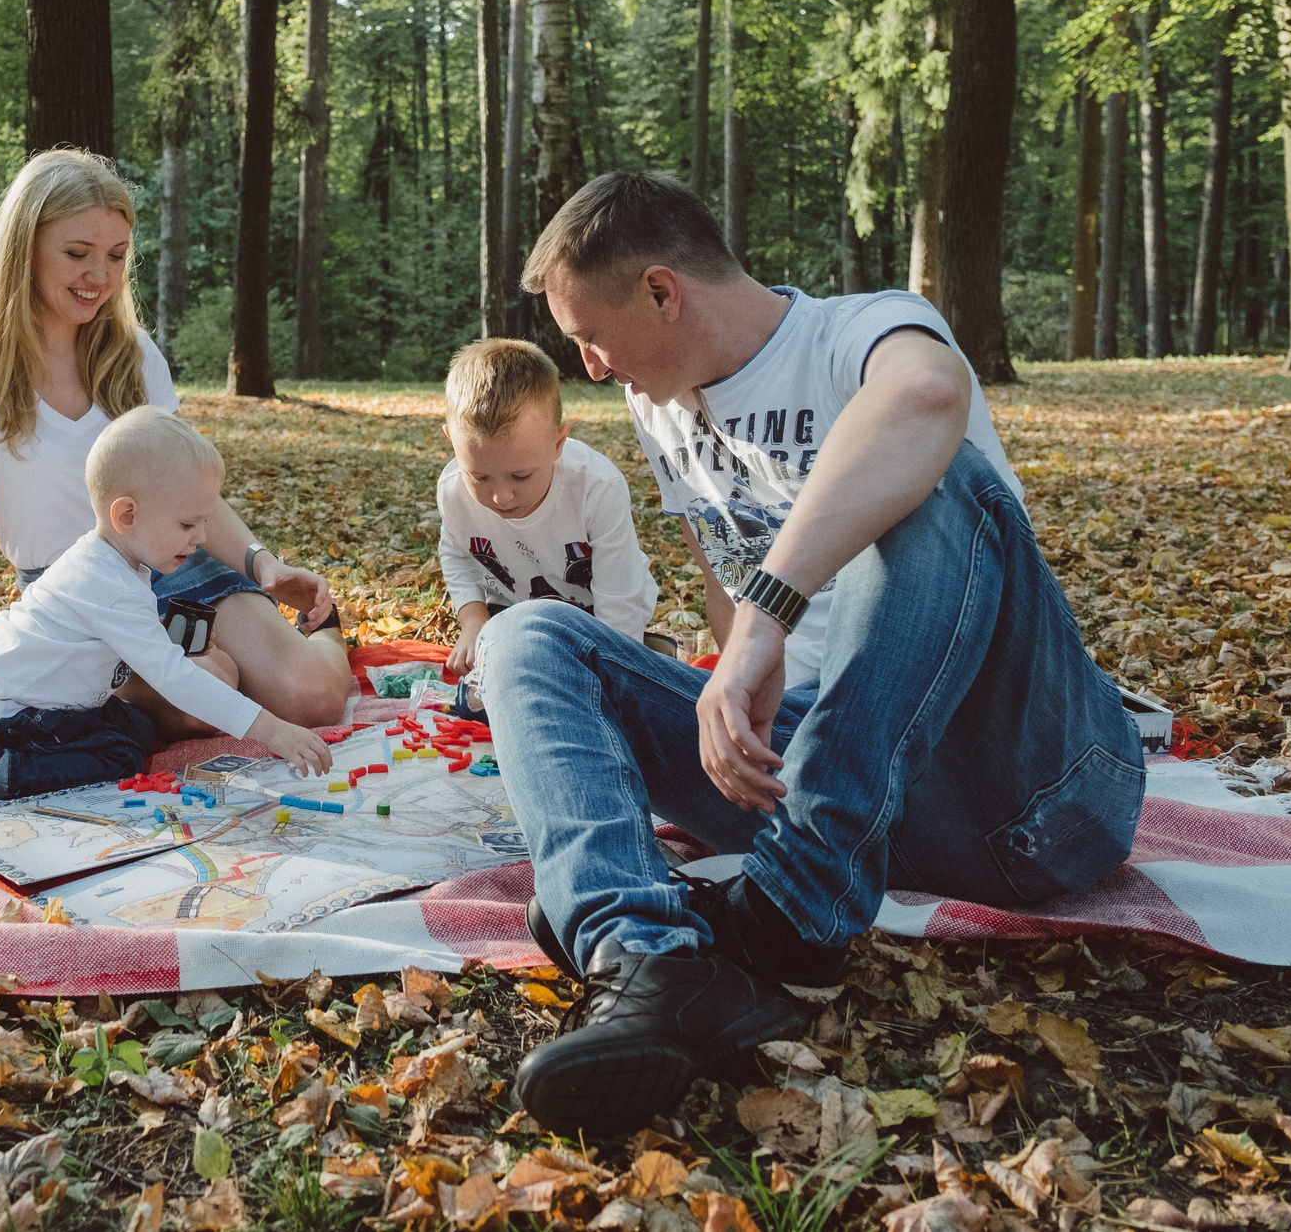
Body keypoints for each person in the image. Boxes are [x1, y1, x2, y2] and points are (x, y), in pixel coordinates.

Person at [485, 172, 1143, 1140]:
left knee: (933, 469)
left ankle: (796, 904)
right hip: (821, 796)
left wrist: (763, 619)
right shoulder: (663, 404)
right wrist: (728, 696)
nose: (587, 365)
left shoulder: (865, 330)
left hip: (1025, 797)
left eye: (592, 333)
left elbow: (924, 398)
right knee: (526, 635)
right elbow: (725, 569)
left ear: (662, 292)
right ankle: (650, 958)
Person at [0, 148, 353, 736]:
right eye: (77, 254)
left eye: (116, 256)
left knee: (314, 698)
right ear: (25, 248)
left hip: (179, 565)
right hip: (78, 595)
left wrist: (264, 564)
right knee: (209, 689)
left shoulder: (135, 355)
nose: (100, 276)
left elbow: (187, 492)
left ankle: (322, 635)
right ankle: (221, 668)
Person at [0, 408, 333, 797]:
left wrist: (159, 637)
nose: (200, 539)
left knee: (140, 728)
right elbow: (176, 680)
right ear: (127, 515)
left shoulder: (111, 563)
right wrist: (272, 730)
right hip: (10, 717)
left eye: (205, 522)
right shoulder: (106, 582)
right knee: (121, 754)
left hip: (18, 700)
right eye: (186, 525)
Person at [435, 338, 659, 685]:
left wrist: (617, 671)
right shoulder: (453, 491)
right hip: (513, 614)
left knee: (606, 689)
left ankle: (655, 655)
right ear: (452, 440)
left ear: (558, 443)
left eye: (521, 475)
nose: (501, 496)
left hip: (602, 616)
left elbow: (620, 605)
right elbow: (455, 554)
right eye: (479, 477)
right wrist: (473, 620)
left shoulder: (596, 488)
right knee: (481, 699)